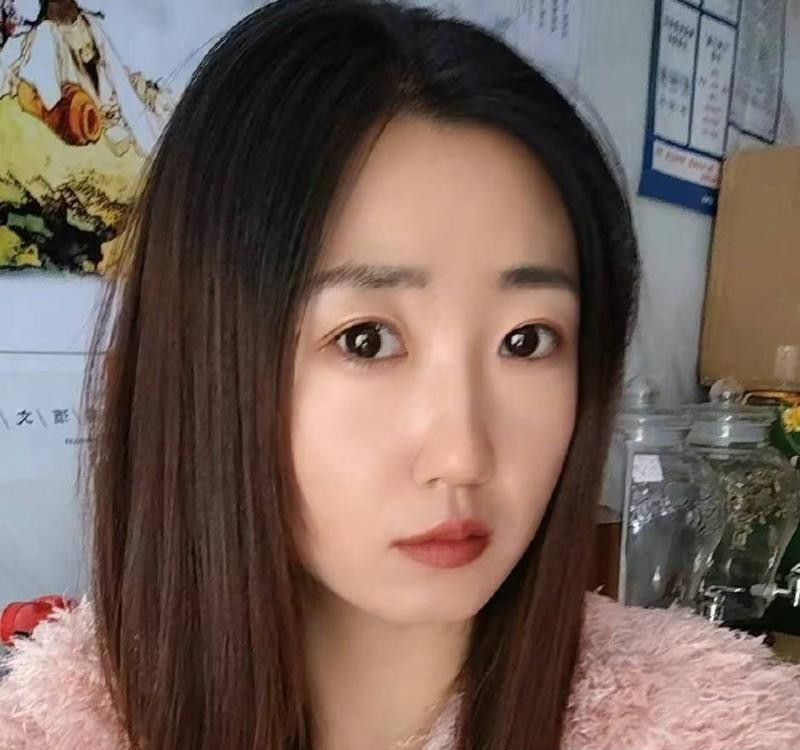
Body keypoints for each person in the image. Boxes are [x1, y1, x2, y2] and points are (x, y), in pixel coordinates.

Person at [1, 1, 799, 748]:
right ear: (205, 362)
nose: (462, 455)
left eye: (527, 341)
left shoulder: (712, 725)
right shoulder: (56, 728)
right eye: (366, 340)